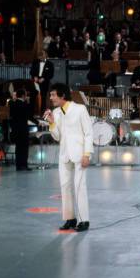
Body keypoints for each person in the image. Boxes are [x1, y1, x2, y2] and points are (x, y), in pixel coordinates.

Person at [44, 84, 94, 232]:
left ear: (62, 95)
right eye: (51, 95)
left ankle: (84, 220)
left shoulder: (80, 109)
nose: (51, 98)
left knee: (79, 187)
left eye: (53, 95)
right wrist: (52, 122)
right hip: (64, 154)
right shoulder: (56, 112)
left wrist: (87, 154)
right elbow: (57, 136)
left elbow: (88, 133)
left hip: (80, 154)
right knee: (65, 187)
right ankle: (70, 219)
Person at [8, 87, 33, 171]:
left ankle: (18, 166)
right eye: (26, 95)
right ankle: (24, 165)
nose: (26, 96)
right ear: (23, 95)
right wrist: (38, 122)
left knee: (18, 148)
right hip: (23, 129)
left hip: (15, 129)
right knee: (24, 148)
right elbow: (29, 116)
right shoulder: (24, 104)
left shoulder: (12, 104)